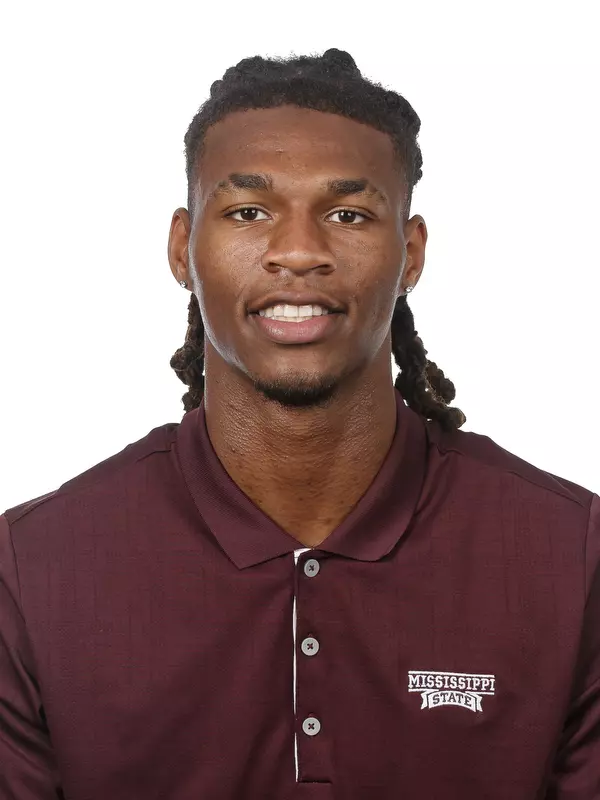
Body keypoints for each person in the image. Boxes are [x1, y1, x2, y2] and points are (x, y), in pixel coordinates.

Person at [0, 48, 598, 800]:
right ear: (183, 247)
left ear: (409, 254)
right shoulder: (33, 567)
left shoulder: (570, 554)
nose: (298, 252)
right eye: (249, 212)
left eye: (347, 214)